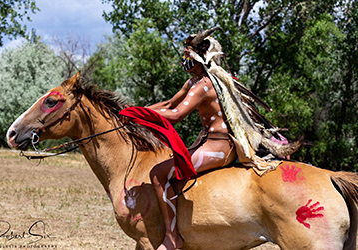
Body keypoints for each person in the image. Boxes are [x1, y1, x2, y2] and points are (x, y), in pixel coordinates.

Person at [120, 27, 302, 250]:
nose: (185, 61)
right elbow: (169, 105)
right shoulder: (193, 83)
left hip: (219, 147)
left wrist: (141, 116)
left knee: (158, 173)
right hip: (208, 143)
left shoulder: (204, 86)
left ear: (200, 58)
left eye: (188, 56)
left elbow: (176, 115)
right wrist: (134, 112)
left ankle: (172, 237)